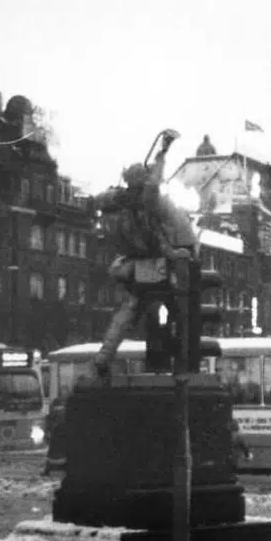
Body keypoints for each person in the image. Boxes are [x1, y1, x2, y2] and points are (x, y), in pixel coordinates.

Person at [94, 129, 199, 377]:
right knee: (179, 310)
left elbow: (99, 200)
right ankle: (180, 357)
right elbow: (154, 187)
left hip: (136, 267)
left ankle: (103, 357)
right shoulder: (148, 204)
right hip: (158, 264)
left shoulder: (122, 204)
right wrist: (163, 151)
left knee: (128, 312)